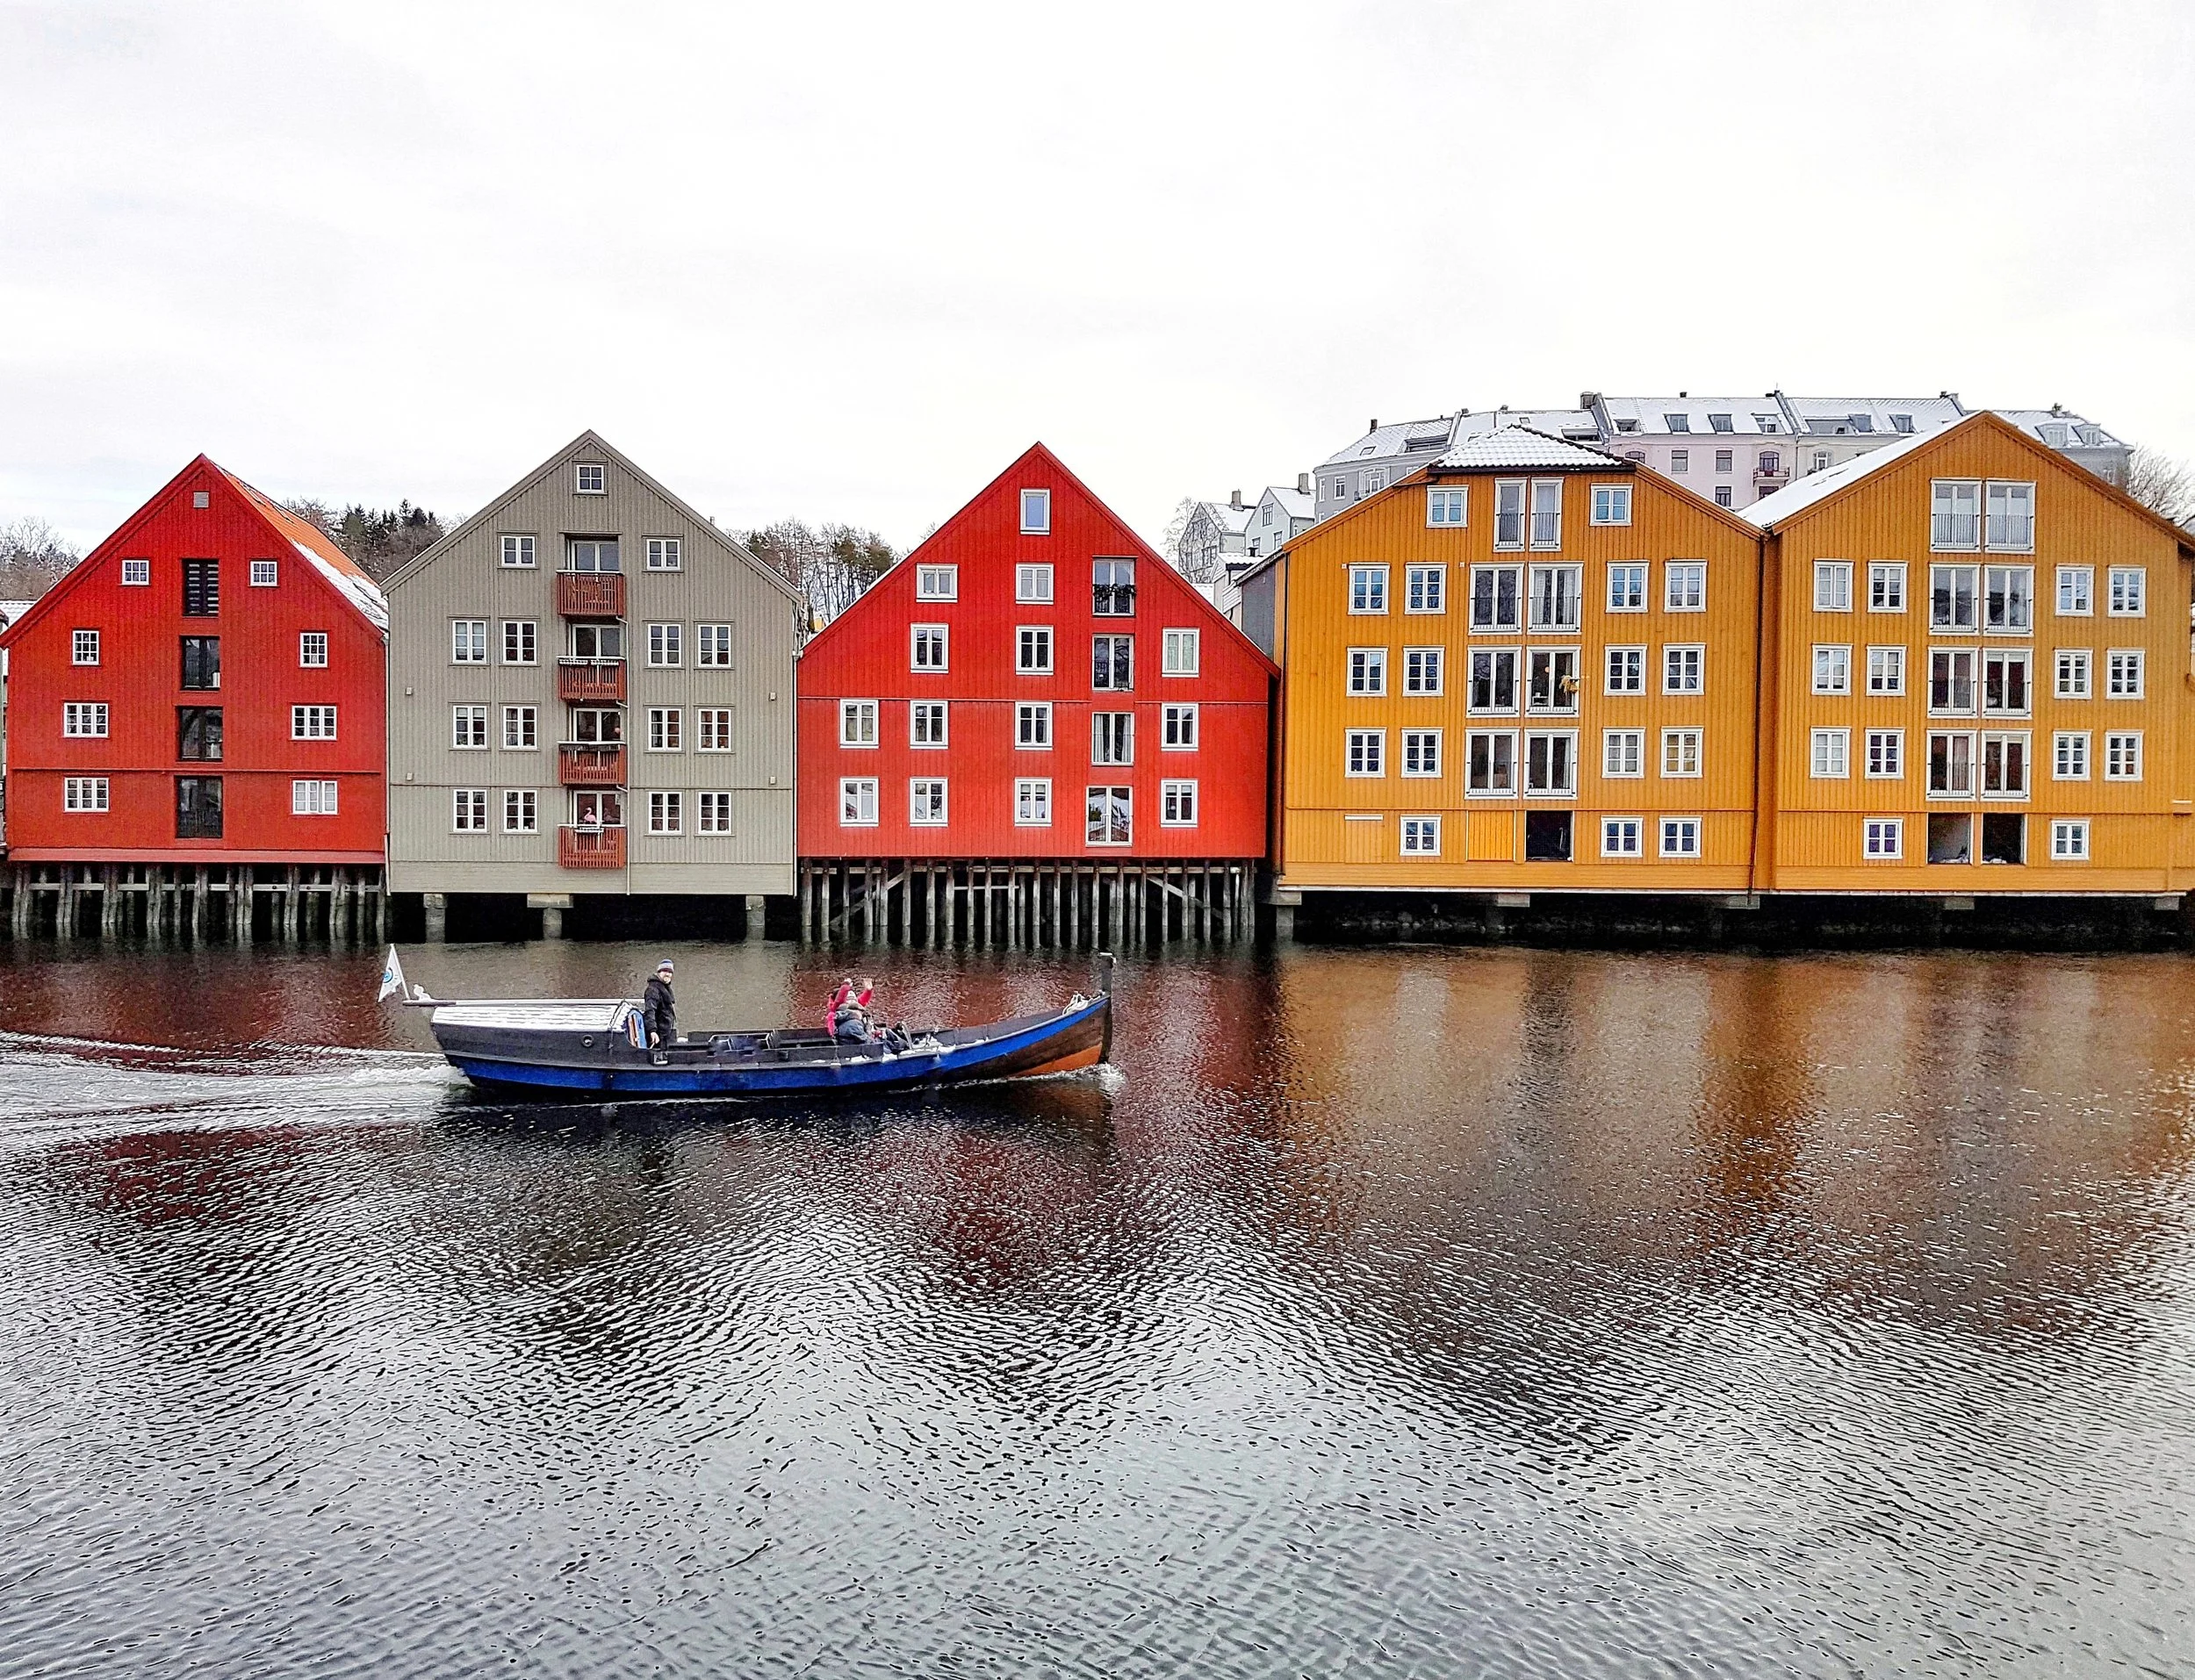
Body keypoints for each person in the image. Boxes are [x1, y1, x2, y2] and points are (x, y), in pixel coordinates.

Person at [644, 960, 678, 1048]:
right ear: (659, 972)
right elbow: (650, 1011)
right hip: (658, 1036)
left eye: (670, 972)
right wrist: (652, 1031)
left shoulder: (665, 988)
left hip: (666, 1034)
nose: (668, 974)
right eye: (665, 971)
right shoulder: (653, 990)